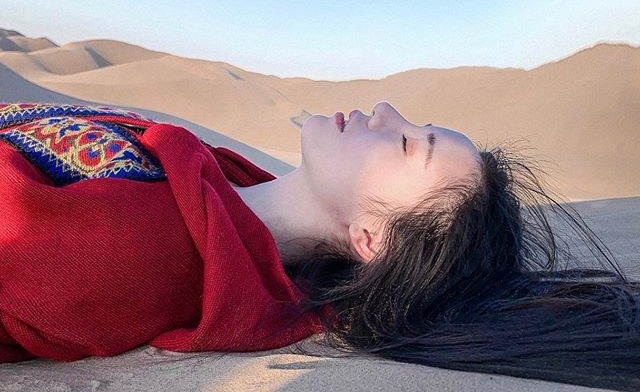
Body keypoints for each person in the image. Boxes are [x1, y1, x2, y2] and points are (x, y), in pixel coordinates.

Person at [1, 101, 638, 391]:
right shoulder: (220, 186)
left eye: (407, 144)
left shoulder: (142, 252)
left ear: (371, 237)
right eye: (414, 123)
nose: (385, 110)